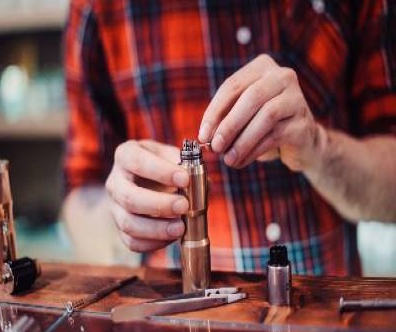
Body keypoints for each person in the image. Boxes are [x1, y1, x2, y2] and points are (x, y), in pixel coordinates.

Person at [62, 0, 396, 275]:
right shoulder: (99, 7)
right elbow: (80, 194)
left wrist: (317, 148)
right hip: (177, 320)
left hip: (325, 320)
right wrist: (124, 213)